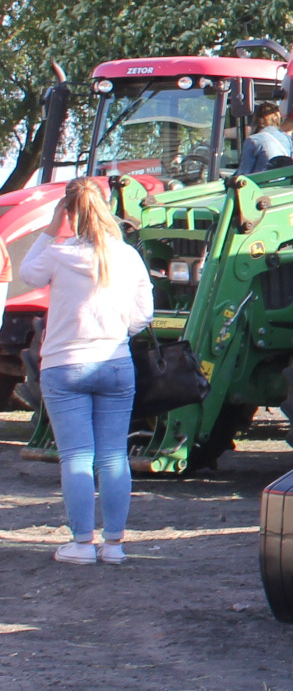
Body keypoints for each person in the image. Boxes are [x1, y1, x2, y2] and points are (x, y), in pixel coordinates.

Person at [18, 179, 153, 564]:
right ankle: (114, 545)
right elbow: (144, 312)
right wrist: (118, 334)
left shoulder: (59, 253)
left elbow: (27, 273)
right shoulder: (127, 256)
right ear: (107, 208)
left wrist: (51, 227)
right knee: (113, 456)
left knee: (76, 457)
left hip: (64, 365)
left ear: (69, 213)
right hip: (114, 363)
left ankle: (80, 544)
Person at [239, 102, 293, 173]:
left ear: (256, 119)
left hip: (262, 182)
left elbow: (244, 172)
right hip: (285, 182)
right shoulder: (288, 140)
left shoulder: (253, 140)